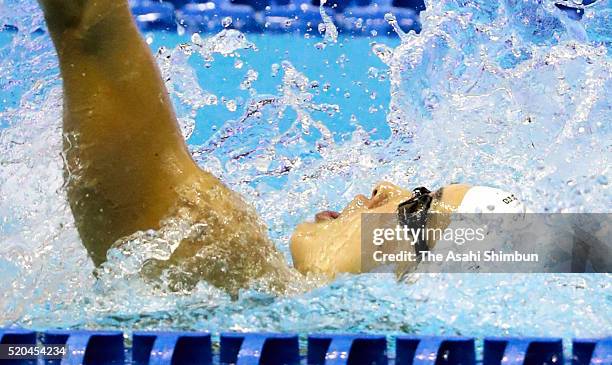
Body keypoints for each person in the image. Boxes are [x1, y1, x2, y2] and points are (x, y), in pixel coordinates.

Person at [37, 0, 529, 294]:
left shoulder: (225, 259)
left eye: (418, 206)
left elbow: (85, 24)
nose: (385, 185)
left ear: (406, 270)